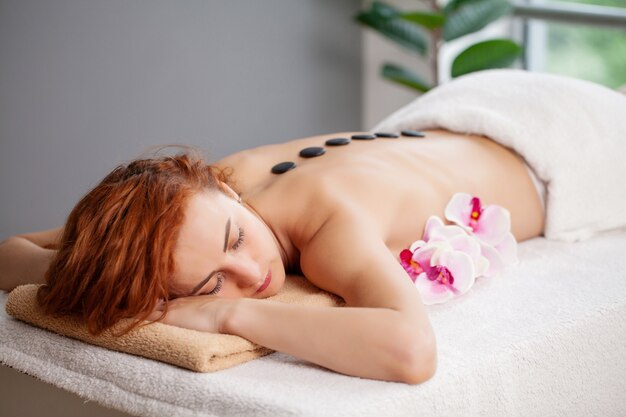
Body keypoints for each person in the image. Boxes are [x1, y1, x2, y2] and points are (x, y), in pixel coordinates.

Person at [0, 124, 545, 384]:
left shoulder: (329, 226)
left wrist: (224, 311)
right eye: (210, 283)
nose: (253, 273)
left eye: (235, 240)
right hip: (441, 134)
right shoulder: (195, 198)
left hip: (537, 150)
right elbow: (11, 254)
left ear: (228, 192)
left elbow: (412, 353)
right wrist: (110, 279)